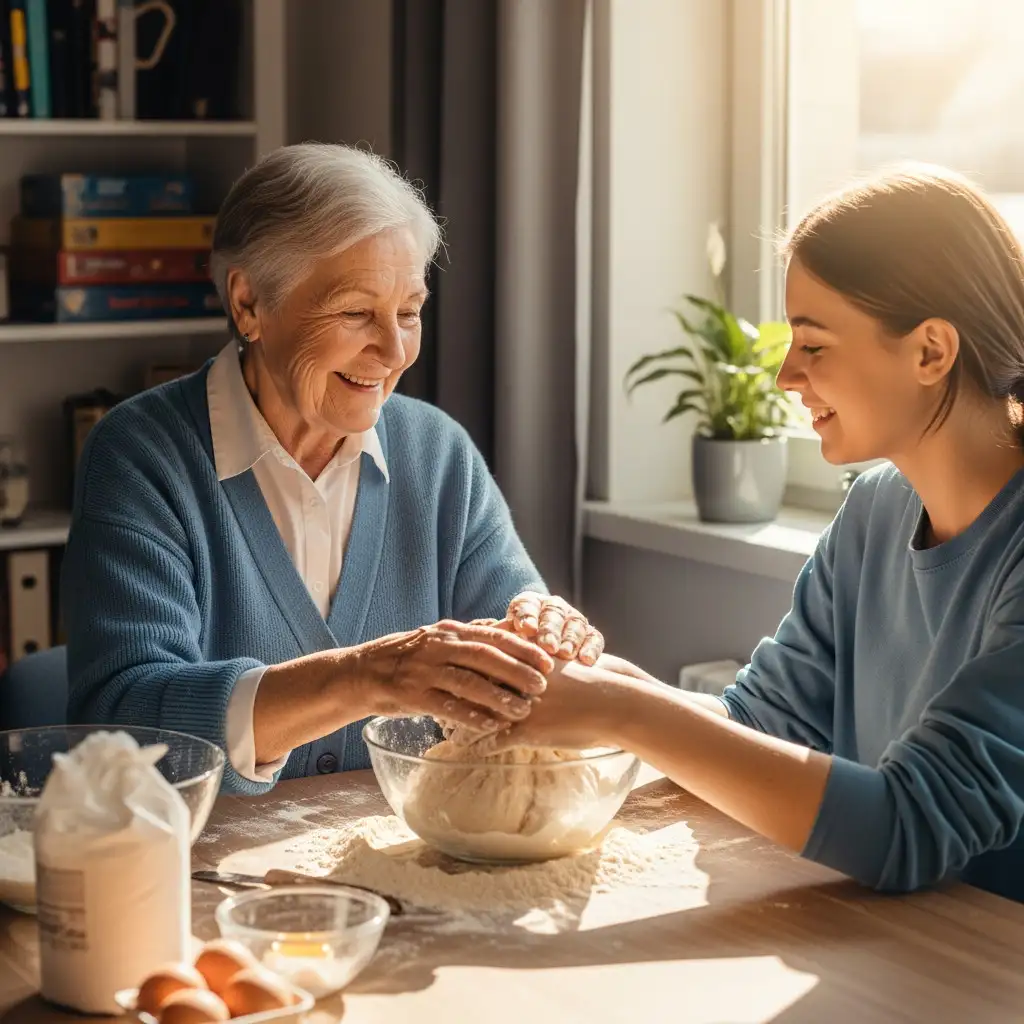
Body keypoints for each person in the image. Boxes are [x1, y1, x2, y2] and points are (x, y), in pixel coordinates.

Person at [482, 165, 1024, 902]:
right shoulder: (874, 512)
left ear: (930, 351)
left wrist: (620, 711)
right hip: (890, 947)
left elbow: (908, 827)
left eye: (815, 345)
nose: (784, 377)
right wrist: (585, 683)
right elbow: (761, 723)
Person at [62, 143, 602, 796]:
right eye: (355, 313)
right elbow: (120, 721)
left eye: (409, 311)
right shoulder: (142, 456)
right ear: (250, 305)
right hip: (204, 879)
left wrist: (545, 639)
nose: (395, 350)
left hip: (410, 863)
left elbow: (523, 665)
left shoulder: (438, 454)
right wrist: (364, 677)